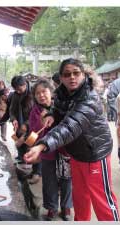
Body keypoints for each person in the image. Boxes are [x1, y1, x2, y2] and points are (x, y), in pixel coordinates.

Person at [24, 58, 119, 221]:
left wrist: (41, 145)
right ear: (61, 78)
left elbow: (69, 126)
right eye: (67, 74)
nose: (72, 77)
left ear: (83, 74)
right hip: (76, 154)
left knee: (102, 199)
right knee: (80, 197)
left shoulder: (90, 98)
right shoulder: (62, 92)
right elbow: (57, 107)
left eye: (76, 73)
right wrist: (50, 114)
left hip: (94, 153)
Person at [29, 78, 72, 220]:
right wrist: (42, 123)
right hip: (48, 153)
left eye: (44, 91)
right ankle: (52, 208)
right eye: (37, 93)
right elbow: (35, 132)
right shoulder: (35, 111)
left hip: (65, 150)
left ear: (51, 92)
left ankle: (66, 207)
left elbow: (69, 127)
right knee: (49, 181)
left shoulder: (60, 106)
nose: (41, 95)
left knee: (66, 180)